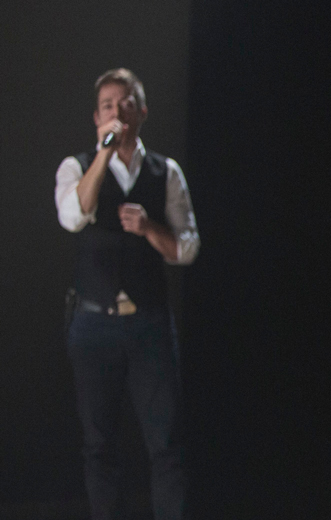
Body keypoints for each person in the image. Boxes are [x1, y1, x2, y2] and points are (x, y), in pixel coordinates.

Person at [54, 68, 198, 520]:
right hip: (94, 323)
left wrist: (150, 227)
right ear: (97, 117)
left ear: (142, 112)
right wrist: (102, 156)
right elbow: (73, 217)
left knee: (165, 442)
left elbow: (187, 248)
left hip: (148, 323)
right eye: (108, 106)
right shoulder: (76, 166)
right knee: (99, 445)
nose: (118, 111)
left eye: (126, 102)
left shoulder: (165, 172)